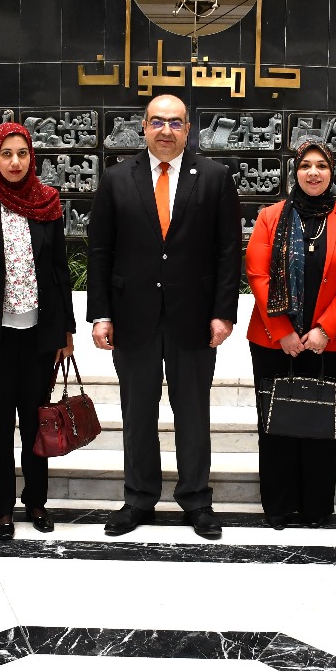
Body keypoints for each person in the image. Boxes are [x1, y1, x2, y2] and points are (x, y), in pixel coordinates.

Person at [86, 94, 241, 539]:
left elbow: (228, 250)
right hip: (132, 317)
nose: (166, 130)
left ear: (188, 129)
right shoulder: (117, 178)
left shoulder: (214, 177)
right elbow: (100, 251)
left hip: (194, 318)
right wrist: (100, 314)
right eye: (157, 122)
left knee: (192, 412)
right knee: (137, 413)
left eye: (175, 122)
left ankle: (196, 499)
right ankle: (138, 497)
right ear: (143, 126)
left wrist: (223, 313)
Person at [244, 140, 336, 529]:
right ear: (295, 171)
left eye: (321, 166)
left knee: (321, 424)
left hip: (330, 343)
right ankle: (278, 506)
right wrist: (282, 330)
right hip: (273, 341)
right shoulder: (270, 217)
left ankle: (316, 506)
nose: (313, 173)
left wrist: (324, 330)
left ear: (332, 173)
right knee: (276, 423)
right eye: (305, 166)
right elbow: (257, 274)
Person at [0, 122, 75, 540]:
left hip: (39, 338)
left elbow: (59, 271)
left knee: (36, 423)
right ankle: (3, 508)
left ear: (32, 157)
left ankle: (36, 501)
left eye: (22, 153)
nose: (14, 162)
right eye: (6, 154)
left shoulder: (47, 202)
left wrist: (65, 331)